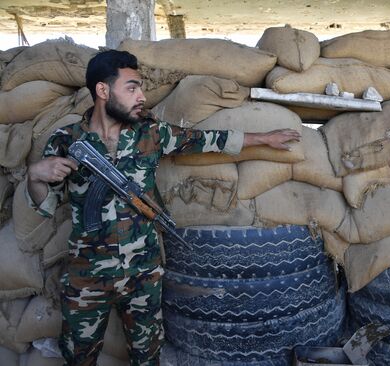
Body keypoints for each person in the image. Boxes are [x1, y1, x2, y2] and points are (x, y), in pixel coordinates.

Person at [26, 49, 300, 366]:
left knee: (147, 356)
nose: (141, 96)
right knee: (78, 357)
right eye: (132, 88)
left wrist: (262, 139)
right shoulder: (65, 140)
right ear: (103, 91)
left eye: (141, 87)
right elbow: (45, 205)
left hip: (143, 271)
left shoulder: (151, 134)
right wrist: (36, 175)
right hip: (86, 275)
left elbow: (203, 140)